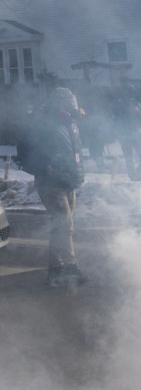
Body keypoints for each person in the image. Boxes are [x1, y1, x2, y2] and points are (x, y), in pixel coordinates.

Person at [17, 88, 88, 287]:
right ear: (59, 103)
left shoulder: (71, 123)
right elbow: (25, 149)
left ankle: (56, 268)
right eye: (69, 102)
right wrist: (42, 166)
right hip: (51, 183)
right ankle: (71, 267)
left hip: (69, 181)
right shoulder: (44, 122)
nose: (73, 105)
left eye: (74, 101)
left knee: (59, 226)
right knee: (65, 224)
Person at [110, 83, 141, 180]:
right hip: (125, 134)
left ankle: (137, 174)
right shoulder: (117, 105)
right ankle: (134, 176)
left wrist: (138, 112)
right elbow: (114, 120)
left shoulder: (136, 104)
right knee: (129, 156)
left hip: (135, 132)